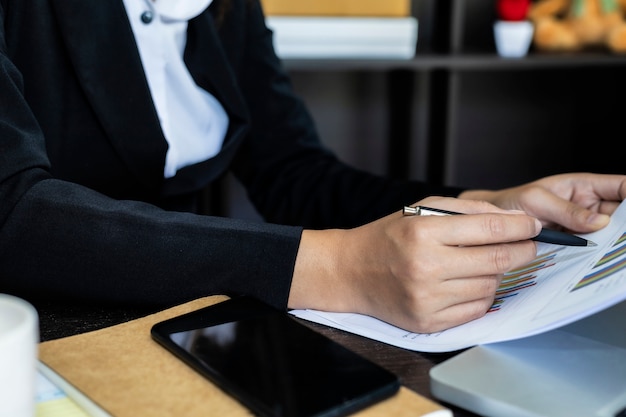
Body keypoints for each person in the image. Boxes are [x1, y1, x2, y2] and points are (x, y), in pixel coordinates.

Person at [0, 0, 624, 334]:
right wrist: (336, 266)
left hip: (183, 315)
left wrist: (484, 206)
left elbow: (298, 176)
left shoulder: (228, 11)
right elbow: (14, 209)